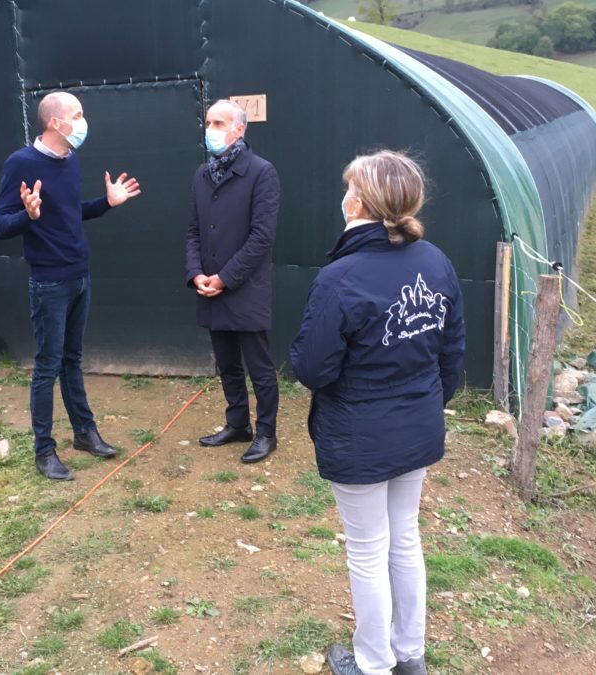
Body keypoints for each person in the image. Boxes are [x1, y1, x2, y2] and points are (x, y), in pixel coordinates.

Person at [289, 152, 465, 675]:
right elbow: (451, 356)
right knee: (404, 537)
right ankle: (409, 654)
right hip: (416, 427)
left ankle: (372, 663)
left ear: (359, 202)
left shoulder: (340, 277)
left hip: (359, 436)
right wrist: (425, 403)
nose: (343, 197)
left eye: (349, 189)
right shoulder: (436, 261)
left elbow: (313, 368)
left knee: (369, 549)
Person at [0, 91, 141, 481]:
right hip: (49, 281)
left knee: (73, 360)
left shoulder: (70, 160)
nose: (83, 120)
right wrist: (27, 214)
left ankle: (84, 434)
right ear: (55, 123)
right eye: (77, 114)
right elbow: (0, 225)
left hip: (80, 275)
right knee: (48, 366)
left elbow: (71, 214)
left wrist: (107, 202)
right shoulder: (21, 163)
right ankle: (44, 451)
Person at [185, 99, 281, 464]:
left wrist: (225, 278)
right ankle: (237, 424)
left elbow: (262, 237)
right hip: (209, 285)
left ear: (240, 129)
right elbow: (194, 230)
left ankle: (266, 432)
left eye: (220, 122)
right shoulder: (201, 174)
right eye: (208, 122)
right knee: (226, 363)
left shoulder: (262, 172)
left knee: (259, 366)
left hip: (243, 287)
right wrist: (196, 274)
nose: (211, 129)